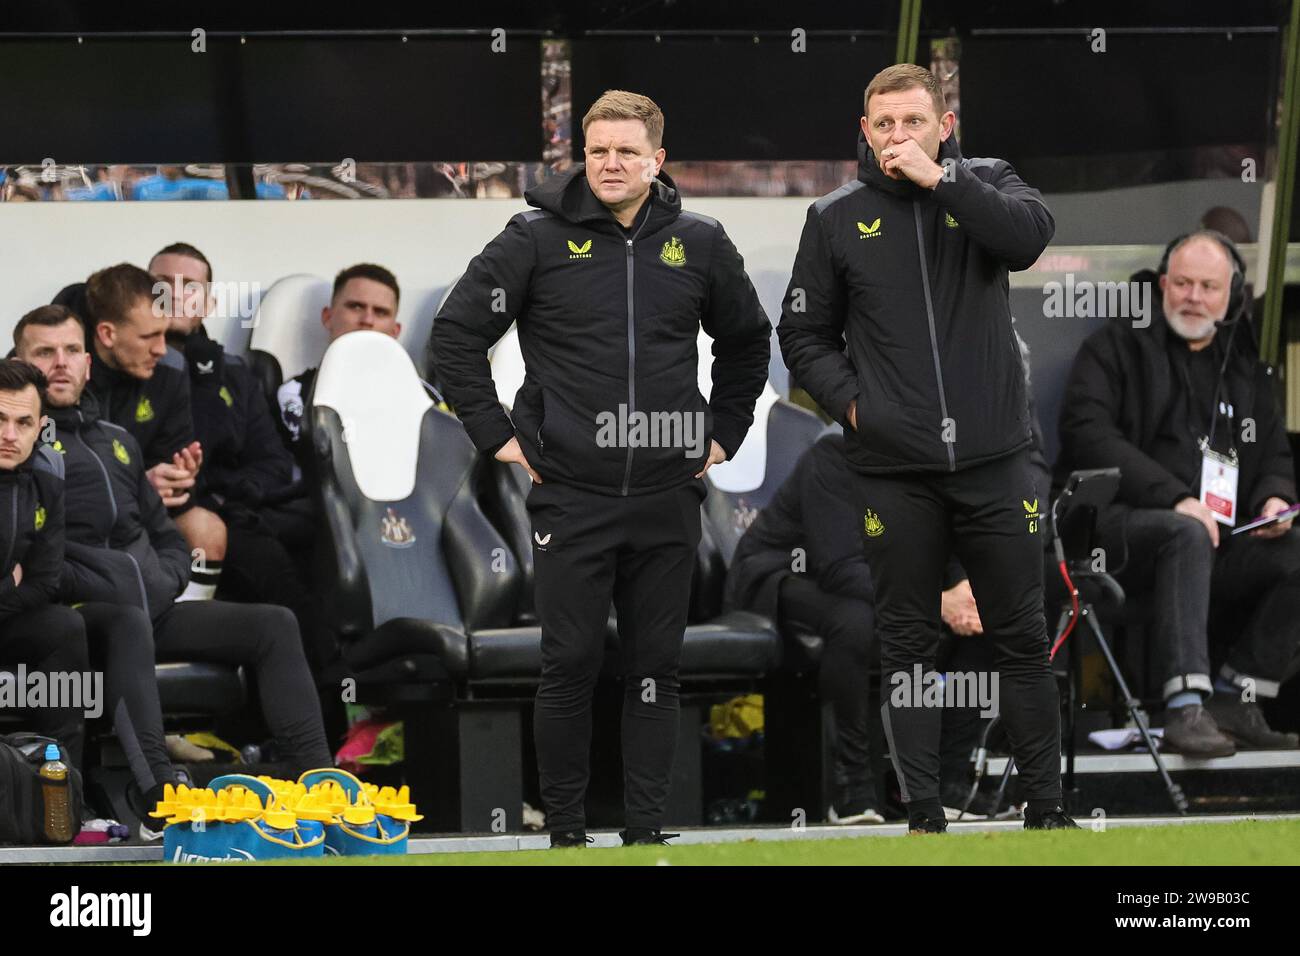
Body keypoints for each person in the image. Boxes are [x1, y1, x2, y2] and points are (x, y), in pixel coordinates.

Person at [432, 89, 770, 847]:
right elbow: (455, 335)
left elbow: (749, 341)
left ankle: (646, 833)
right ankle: (567, 835)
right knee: (571, 664)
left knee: (657, 666)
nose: (610, 164)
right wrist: (500, 438)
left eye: (626, 151)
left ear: (658, 159)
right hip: (571, 495)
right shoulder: (532, 238)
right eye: (597, 151)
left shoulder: (702, 242)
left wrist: (724, 435)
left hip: (666, 493)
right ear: (581, 156)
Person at [777, 64, 1072, 832]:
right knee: (905, 641)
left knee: (1022, 634)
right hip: (894, 466)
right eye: (883, 125)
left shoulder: (989, 184)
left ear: (945, 125)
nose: (897, 137)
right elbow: (802, 333)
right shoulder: (835, 216)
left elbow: (1028, 241)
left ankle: (1048, 810)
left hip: (998, 455)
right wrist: (854, 406)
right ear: (864, 133)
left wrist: (944, 182)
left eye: (912, 121)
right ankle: (924, 817)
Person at [14, 304, 334, 781]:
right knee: (124, 621)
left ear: (87, 362)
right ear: (20, 364)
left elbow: (163, 531)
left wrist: (164, 576)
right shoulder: (17, 446)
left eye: (71, 350)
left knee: (274, 623)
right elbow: (27, 552)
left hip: (151, 607)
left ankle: (319, 779)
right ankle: (159, 790)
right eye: (45, 352)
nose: (60, 362)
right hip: (82, 619)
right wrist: (114, 582)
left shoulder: (117, 439)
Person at [1056, 231, 1300, 754]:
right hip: (1119, 535)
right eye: (1183, 283)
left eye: (1208, 287)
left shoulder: (1246, 368)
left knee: (1295, 552)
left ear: (1231, 296)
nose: (1193, 297)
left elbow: (1274, 456)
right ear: (1163, 284)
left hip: (1218, 543)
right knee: (1185, 531)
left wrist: (1273, 500)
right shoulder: (1115, 346)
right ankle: (1185, 709)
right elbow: (1087, 432)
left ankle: (1238, 695)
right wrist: (1174, 498)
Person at [147, 244, 338, 683]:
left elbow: (271, 461)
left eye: (189, 286)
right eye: (162, 284)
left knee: (303, 574)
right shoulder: (126, 367)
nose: (175, 294)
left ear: (209, 302)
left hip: (233, 513)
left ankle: (330, 725)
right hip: (154, 518)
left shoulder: (233, 373)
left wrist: (224, 496)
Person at [54, 265, 226, 600]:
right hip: (74, 518)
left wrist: (180, 476)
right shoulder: (58, 372)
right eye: (149, 337)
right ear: (107, 334)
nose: (162, 349)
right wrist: (139, 488)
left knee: (206, 529)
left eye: (163, 334)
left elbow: (171, 461)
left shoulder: (171, 370)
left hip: (143, 512)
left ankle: (181, 629)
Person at [0, 359, 88, 773]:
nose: (8, 435)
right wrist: (11, 582)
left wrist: (9, 588)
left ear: (40, 427)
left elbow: (45, 580)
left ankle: (61, 787)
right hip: (10, 604)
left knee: (63, 626)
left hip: (10, 616)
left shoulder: (47, 477)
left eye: (23, 422)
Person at [274, 263, 403, 476]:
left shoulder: (422, 398)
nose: (367, 320)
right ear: (328, 317)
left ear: (395, 331)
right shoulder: (295, 396)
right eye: (356, 306)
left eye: (380, 312)